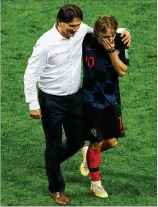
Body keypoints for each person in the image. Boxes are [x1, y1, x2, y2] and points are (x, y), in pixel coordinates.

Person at [24, 4, 131, 205]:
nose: (75, 29)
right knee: (54, 143)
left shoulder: (81, 31)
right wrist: (33, 102)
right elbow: (30, 74)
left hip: (75, 98)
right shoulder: (45, 43)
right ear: (59, 22)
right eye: (71, 26)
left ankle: (52, 161)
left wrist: (124, 31)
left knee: (76, 141)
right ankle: (56, 189)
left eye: (78, 25)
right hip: (51, 100)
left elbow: (101, 30)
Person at [80, 15, 129, 198]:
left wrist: (112, 51)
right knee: (96, 141)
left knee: (112, 142)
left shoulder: (120, 42)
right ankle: (96, 183)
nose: (108, 40)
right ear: (97, 34)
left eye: (111, 36)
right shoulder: (86, 40)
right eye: (104, 37)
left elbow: (122, 71)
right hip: (91, 100)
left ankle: (87, 155)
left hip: (111, 99)